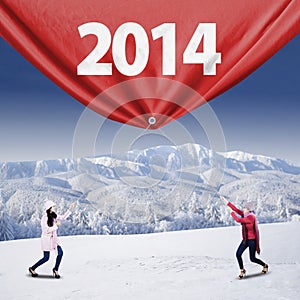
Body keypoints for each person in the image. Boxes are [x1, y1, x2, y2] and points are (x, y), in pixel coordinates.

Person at [220, 195, 268, 278]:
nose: (243, 209)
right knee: (238, 254)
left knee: (252, 258)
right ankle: (242, 270)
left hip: (252, 241)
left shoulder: (250, 218)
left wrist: (231, 212)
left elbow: (238, 220)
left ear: (249, 209)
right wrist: (225, 201)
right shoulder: (245, 214)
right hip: (245, 240)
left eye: (245, 208)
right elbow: (236, 209)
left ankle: (265, 265)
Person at [29, 200, 75, 278]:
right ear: (49, 208)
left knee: (60, 253)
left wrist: (70, 209)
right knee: (46, 258)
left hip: (54, 240)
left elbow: (62, 217)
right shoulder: (44, 218)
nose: (54, 208)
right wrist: (56, 226)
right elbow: (46, 230)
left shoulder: (53, 215)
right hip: (46, 240)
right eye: (53, 206)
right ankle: (32, 268)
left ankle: (55, 269)